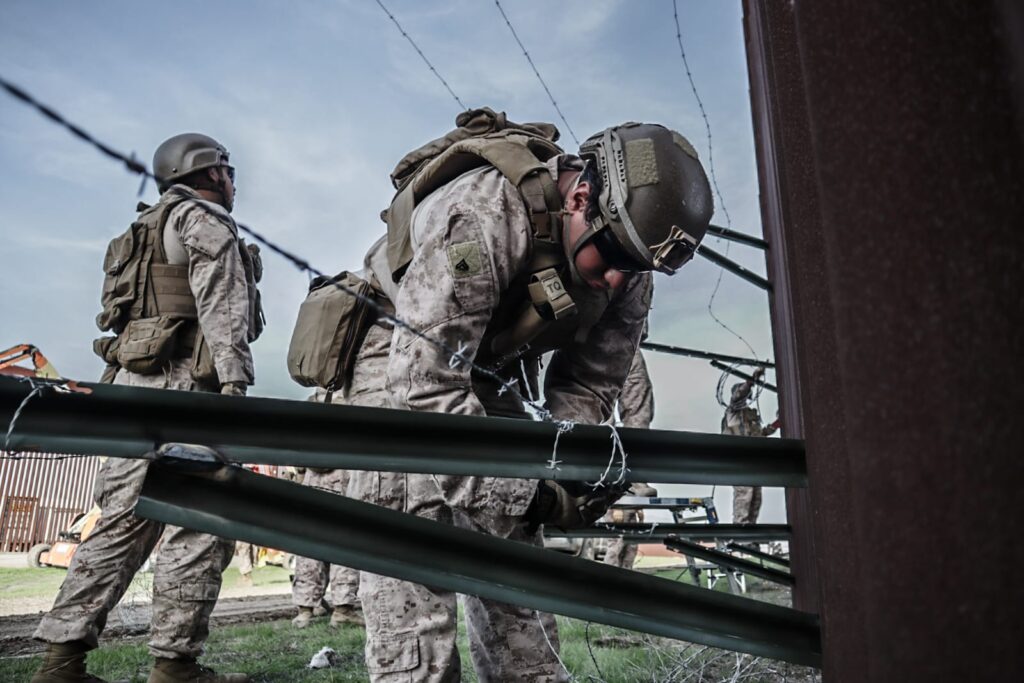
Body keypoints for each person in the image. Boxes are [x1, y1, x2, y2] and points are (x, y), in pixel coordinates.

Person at [334, 111, 712, 682]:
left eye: (632, 271)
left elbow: (588, 383)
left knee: (519, 577)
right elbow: (426, 384)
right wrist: (524, 493)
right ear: (582, 197)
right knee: (414, 545)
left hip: (488, 360)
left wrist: (560, 474)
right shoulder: (483, 215)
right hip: (400, 350)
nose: (615, 282)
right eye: (611, 260)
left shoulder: (632, 260)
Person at [32, 133, 263, 683]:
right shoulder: (203, 220)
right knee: (199, 523)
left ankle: (60, 662)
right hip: (187, 387)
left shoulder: (139, 231)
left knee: (117, 525)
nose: (234, 183)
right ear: (208, 174)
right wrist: (234, 385)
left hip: (131, 389)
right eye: (228, 172)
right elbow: (222, 303)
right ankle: (174, 666)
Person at [603, 345, 658, 570]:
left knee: (639, 413)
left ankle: (633, 480)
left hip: (627, 339)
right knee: (600, 417)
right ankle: (608, 480)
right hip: (595, 337)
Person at [721, 367, 780, 525]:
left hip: (754, 463)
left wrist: (778, 423)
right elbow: (738, 395)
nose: (746, 399)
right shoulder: (733, 412)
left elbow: (761, 434)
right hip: (739, 462)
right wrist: (752, 379)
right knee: (744, 496)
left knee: (755, 499)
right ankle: (741, 533)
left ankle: (751, 535)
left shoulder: (749, 416)